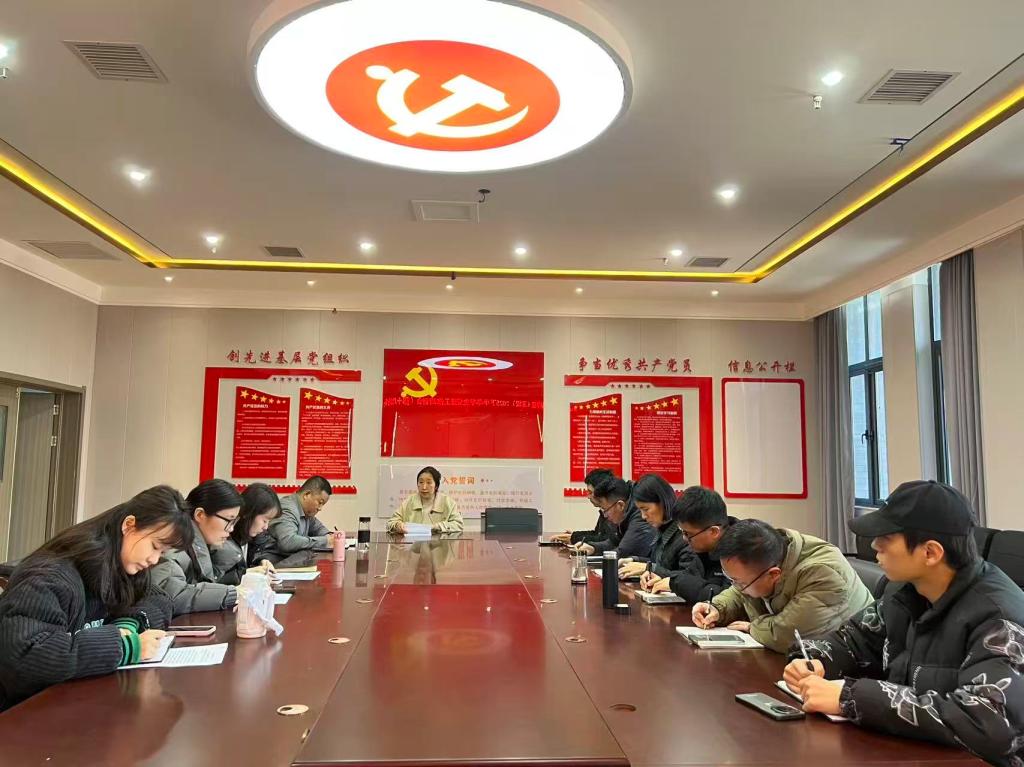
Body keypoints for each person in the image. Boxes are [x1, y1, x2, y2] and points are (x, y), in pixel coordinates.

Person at [783, 481, 1024, 766]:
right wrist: (815, 659)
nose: (874, 546)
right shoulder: (903, 591)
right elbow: (854, 640)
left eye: (885, 539)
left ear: (930, 552)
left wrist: (851, 698)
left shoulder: (998, 617)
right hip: (909, 752)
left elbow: (988, 720)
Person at [0, 485, 190, 710]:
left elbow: (158, 598)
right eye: (155, 546)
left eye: (162, 553)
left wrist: (129, 623)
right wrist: (124, 647)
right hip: (22, 713)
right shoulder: (50, 576)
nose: (154, 560)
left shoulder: (122, 568)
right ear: (129, 525)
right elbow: (25, 656)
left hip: (71, 702)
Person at [691, 518, 873, 653]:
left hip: (855, 666)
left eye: (739, 581)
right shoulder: (766, 557)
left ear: (773, 575)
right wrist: (717, 608)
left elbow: (788, 635)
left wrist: (752, 628)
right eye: (731, 579)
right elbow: (741, 591)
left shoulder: (823, 574)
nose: (736, 586)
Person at [150, 479, 242, 616]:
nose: (231, 528)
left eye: (235, 522)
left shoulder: (197, 545)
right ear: (200, 515)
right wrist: (232, 593)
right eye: (229, 520)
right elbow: (171, 595)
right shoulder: (174, 544)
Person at [641, 485, 737, 602]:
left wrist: (675, 583)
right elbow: (689, 577)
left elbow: (729, 599)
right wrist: (662, 579)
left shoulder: (740, 549)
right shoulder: (704, 548)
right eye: (682, 532)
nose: (684, 539)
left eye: (688, 534)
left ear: (713, 531)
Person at [620, 473, 699, 583]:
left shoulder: (686, 534)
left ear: (662, 502)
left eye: (646, 509)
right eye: (640, 510)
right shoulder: (662, 528)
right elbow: (661, 563)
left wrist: (649, 568)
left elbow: (689, 578)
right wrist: (634, 560)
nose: (643, 516)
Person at [211, 483, 281, 586]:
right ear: (249, 513)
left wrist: (262, 561)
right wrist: (245, 574)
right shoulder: (222, 538)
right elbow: (212, 580)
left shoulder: (250, 537)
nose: (265, 527)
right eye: (265, 521)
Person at [574, 477, 656, 560]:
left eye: (605, 510)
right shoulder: (626, 511)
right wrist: (593, 548)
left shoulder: (640, 515)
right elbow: (614, 542)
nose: (605, 516)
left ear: (620, 505)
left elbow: (623, 552)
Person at [263, 476, 334, 560]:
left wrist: (330, 536)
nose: (320, 508)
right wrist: (325, 541)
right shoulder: (287, 509)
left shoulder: (307, 512)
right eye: (320, 502)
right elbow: (288, 542)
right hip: (272, 562)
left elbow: (318, 528)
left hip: (290, 560)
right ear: (306, 495)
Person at [549, 468, 617, 545]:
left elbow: (605, 539)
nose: (588, 497)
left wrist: (573, 538)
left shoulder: (616, 511)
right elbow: (597, 533)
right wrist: (573, 535)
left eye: (590, 492)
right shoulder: (604, 510)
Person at [388, 466, 464, 534]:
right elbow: (391, 522)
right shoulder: (409, 501)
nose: (424, 487)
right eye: (421, 482)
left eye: (429, 482)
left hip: (440, 544)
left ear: (436, 486)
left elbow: (458, 524)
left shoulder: (448, 502)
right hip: (414, 544)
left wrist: (438, 526)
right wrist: (397, 525)